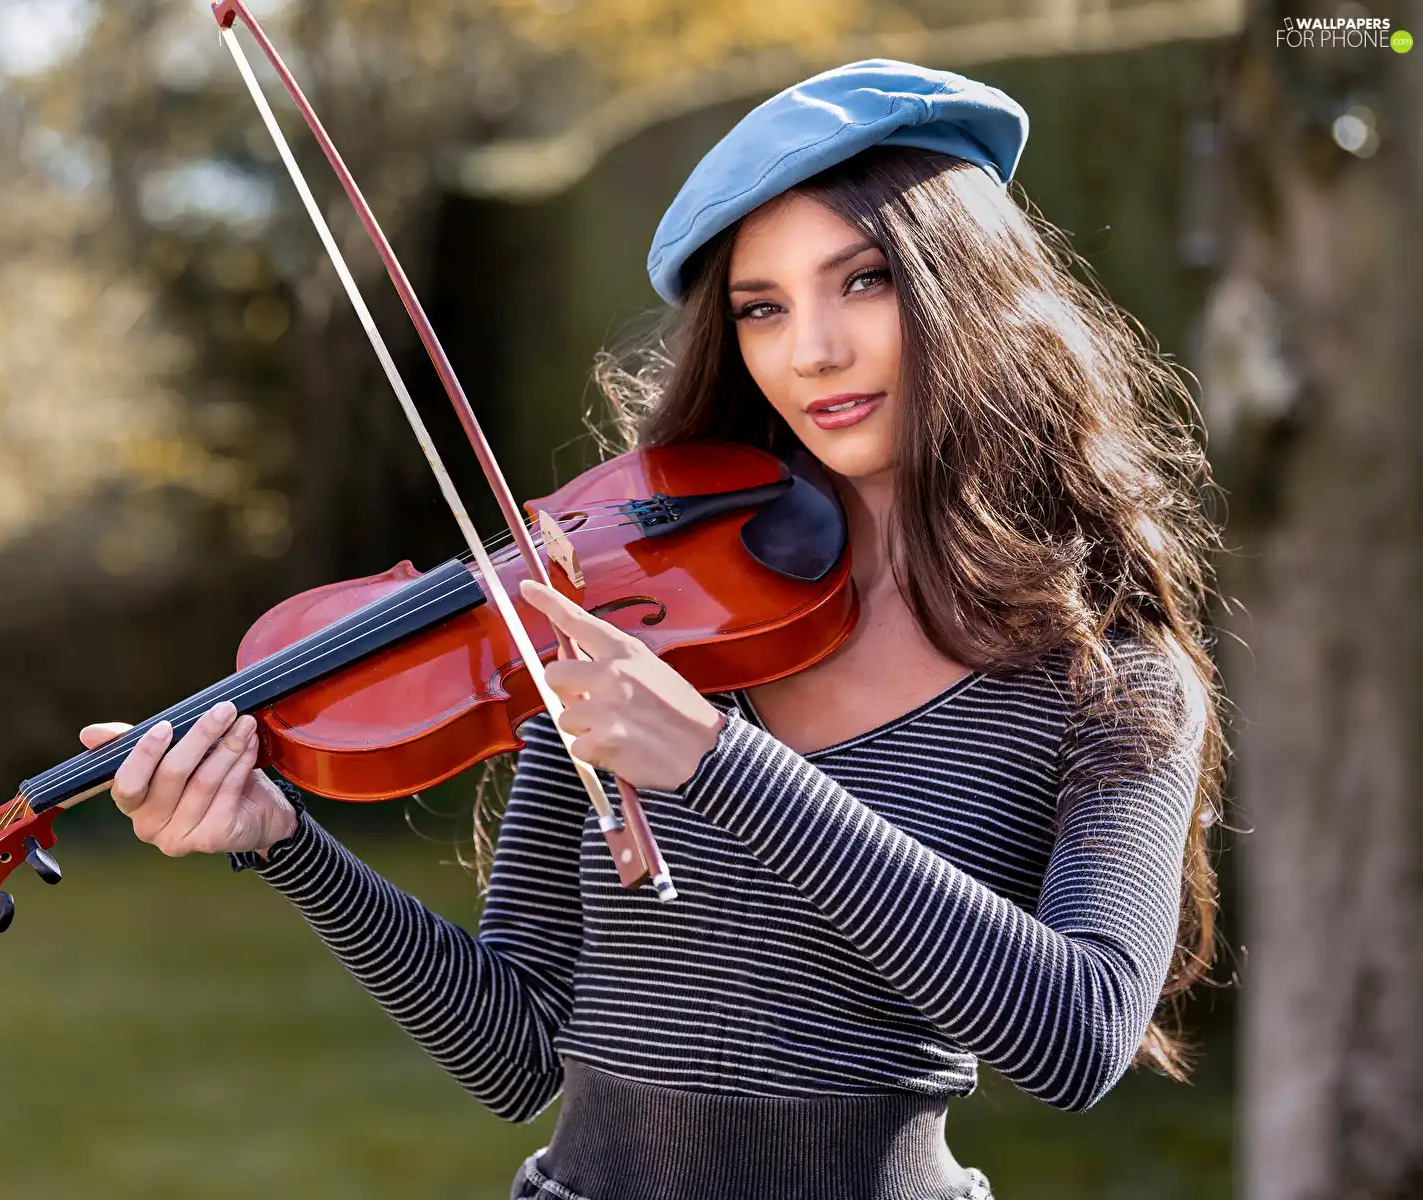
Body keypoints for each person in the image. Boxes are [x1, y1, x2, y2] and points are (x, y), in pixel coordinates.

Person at [76, 59, 1228, 1200]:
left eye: (863, 282)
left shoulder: (1109, 682)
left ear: (966, 291)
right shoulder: (624, 625)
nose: (811, 349)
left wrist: (718, 765)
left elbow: (1079, 1037)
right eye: (761, 308)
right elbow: (515, 1047)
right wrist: (283, 840)